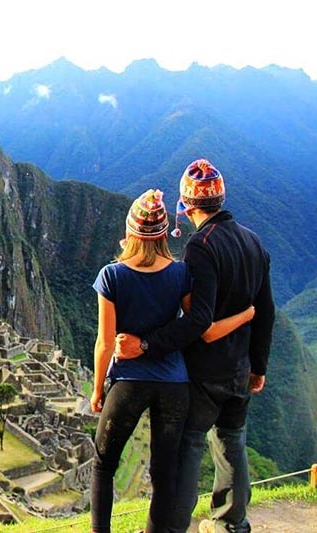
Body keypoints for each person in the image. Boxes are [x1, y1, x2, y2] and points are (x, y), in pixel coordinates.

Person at [115, 160, 275, 533]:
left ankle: (172, 527)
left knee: (190, 446)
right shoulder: (254, 241)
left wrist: (147, 344)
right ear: (220, 199)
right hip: (238, 368)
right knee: (232, 442)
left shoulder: (201, 246)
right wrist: (259, 366)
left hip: (205, 372)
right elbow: (264, 310)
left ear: (186, 207)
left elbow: (199, 321)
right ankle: (232, 523)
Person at [89, 189, 254, 533]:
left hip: (130, 383)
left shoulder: (112, 276)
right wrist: (248, 314)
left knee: (104, 465)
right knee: (165, 473)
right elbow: (195, 324)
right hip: (174, 386)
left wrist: (97, 389)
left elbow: (105, 342)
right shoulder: (181, 274)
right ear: (164, 233)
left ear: (130, 232)